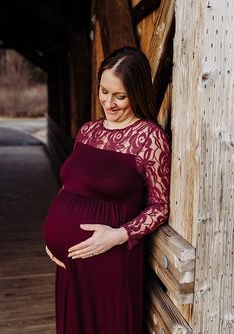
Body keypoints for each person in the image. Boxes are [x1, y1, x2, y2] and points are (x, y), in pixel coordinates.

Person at [43, 46, 170, 334]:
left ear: (136, 93)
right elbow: (70, 186)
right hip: (69, 262)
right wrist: (51, 238)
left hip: (109, 259)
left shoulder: (149, 138)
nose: (108, 103)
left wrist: (118, 235)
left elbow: (160, 206)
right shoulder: (89, 130)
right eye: (103, 91)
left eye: (119, 96)